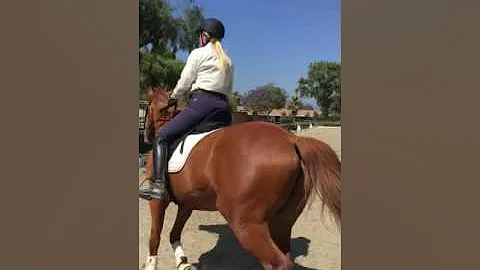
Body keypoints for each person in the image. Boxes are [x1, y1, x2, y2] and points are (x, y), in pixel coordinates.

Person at [139, 18, 234, 201]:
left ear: (204, 36)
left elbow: (185, 81)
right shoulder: (228, 61)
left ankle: (158, 186)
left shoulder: (198, 53)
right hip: (223, 110)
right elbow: (228, 89)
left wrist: (174, 96)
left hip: (202, 105)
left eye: (201, 35)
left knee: (162, 137)